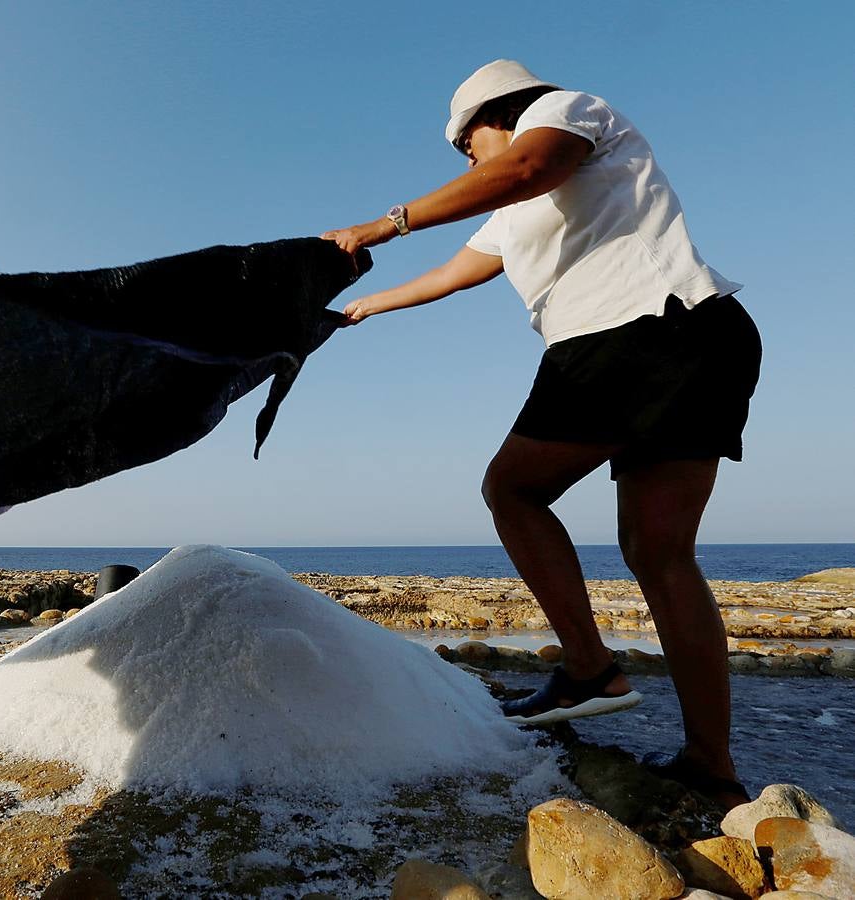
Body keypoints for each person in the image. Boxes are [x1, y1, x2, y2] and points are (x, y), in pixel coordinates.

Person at [321, 60, 761, 810]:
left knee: (512, 488)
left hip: (641, 330)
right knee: (658, 553)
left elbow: (523, 165)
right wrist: (365, 308)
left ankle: (591, 669)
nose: (468, 162)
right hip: (692, 340)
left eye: (466, 147)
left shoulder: (566, 112)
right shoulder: (515, 210)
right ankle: (711, 769)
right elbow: (456, 272)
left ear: (494, 116)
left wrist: (381, 223)